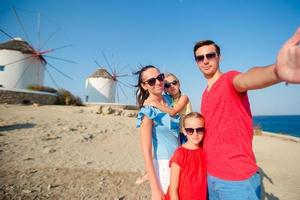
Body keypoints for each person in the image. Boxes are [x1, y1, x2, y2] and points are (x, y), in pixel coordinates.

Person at [193, 28, 300, 200]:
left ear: (219, 57)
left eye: (210, 55)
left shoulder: (230, 79)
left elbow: (248, 78)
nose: (205, 61)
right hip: (211, 176)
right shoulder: (205, 93)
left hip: (237, 180)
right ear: (196, 62)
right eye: (200, 57)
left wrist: (277, 71)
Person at [135, 73, 192, 185]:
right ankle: (149, 174)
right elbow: (147, 147)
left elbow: (173, 111)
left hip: (186, 133)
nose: (171, 86)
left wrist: (156, 104)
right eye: (167, 85)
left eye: (174, 83)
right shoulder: (168, 99)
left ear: (179, 83)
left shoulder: (182, 97)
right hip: (177, 138)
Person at [135, 65, 180, 199]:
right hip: (164, 166)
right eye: (151, 81)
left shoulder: (169, 99)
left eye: (160, 78)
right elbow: (146, 151)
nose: (158, 82)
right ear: (144, 86)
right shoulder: (148, 111)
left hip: (179, 161)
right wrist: (155, 188)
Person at [165, 112, 207, 200]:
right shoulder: (180, 154)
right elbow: (173, 189)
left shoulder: (205, 151)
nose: (195, 134)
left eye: (199, 130)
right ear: (184, 131)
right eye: (190, 130)